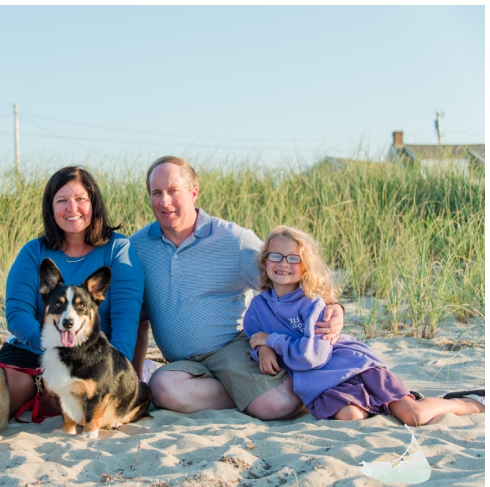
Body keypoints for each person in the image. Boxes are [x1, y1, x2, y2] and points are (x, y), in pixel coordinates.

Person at [130, 156, 344, 420]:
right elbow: (138, 322)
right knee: (161, 389)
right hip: (182, 364)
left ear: (193, 192)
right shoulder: (137, 247)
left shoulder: (234, 240)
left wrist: (335, 307)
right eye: (156, 193)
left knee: (276, 406)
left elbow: (289, 280)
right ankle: (248, 395)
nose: (164, 202)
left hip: (230, 348)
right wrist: (134, 382)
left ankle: (272, 391)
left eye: (173, 191)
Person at [243, 225, 484, 424]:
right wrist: (263, 349)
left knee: (414, 416)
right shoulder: (257, 308)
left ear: (306, 266)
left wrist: (272, 341)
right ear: (265, 261)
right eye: (275, 256)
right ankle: (381, 404)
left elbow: (311, 357)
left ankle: (468, 401)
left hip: (353, 366)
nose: (283, 263)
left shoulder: (313, 304)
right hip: (319, 383)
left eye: (293, 258)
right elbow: (255, 338)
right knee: (350, 417)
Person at [0, 166, 145, 416]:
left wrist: (113, 376)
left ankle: (48, 396)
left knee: (66, 403)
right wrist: (54, 350)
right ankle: (37, 389)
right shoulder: (33, 252)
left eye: (80, 199)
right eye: (61, 200)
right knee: (3, 397)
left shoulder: (118, 249)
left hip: (90, 358)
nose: (71, 208)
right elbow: (16, 313)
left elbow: (125, 322)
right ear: (50, 208)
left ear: (94, 203)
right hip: (32, 350)